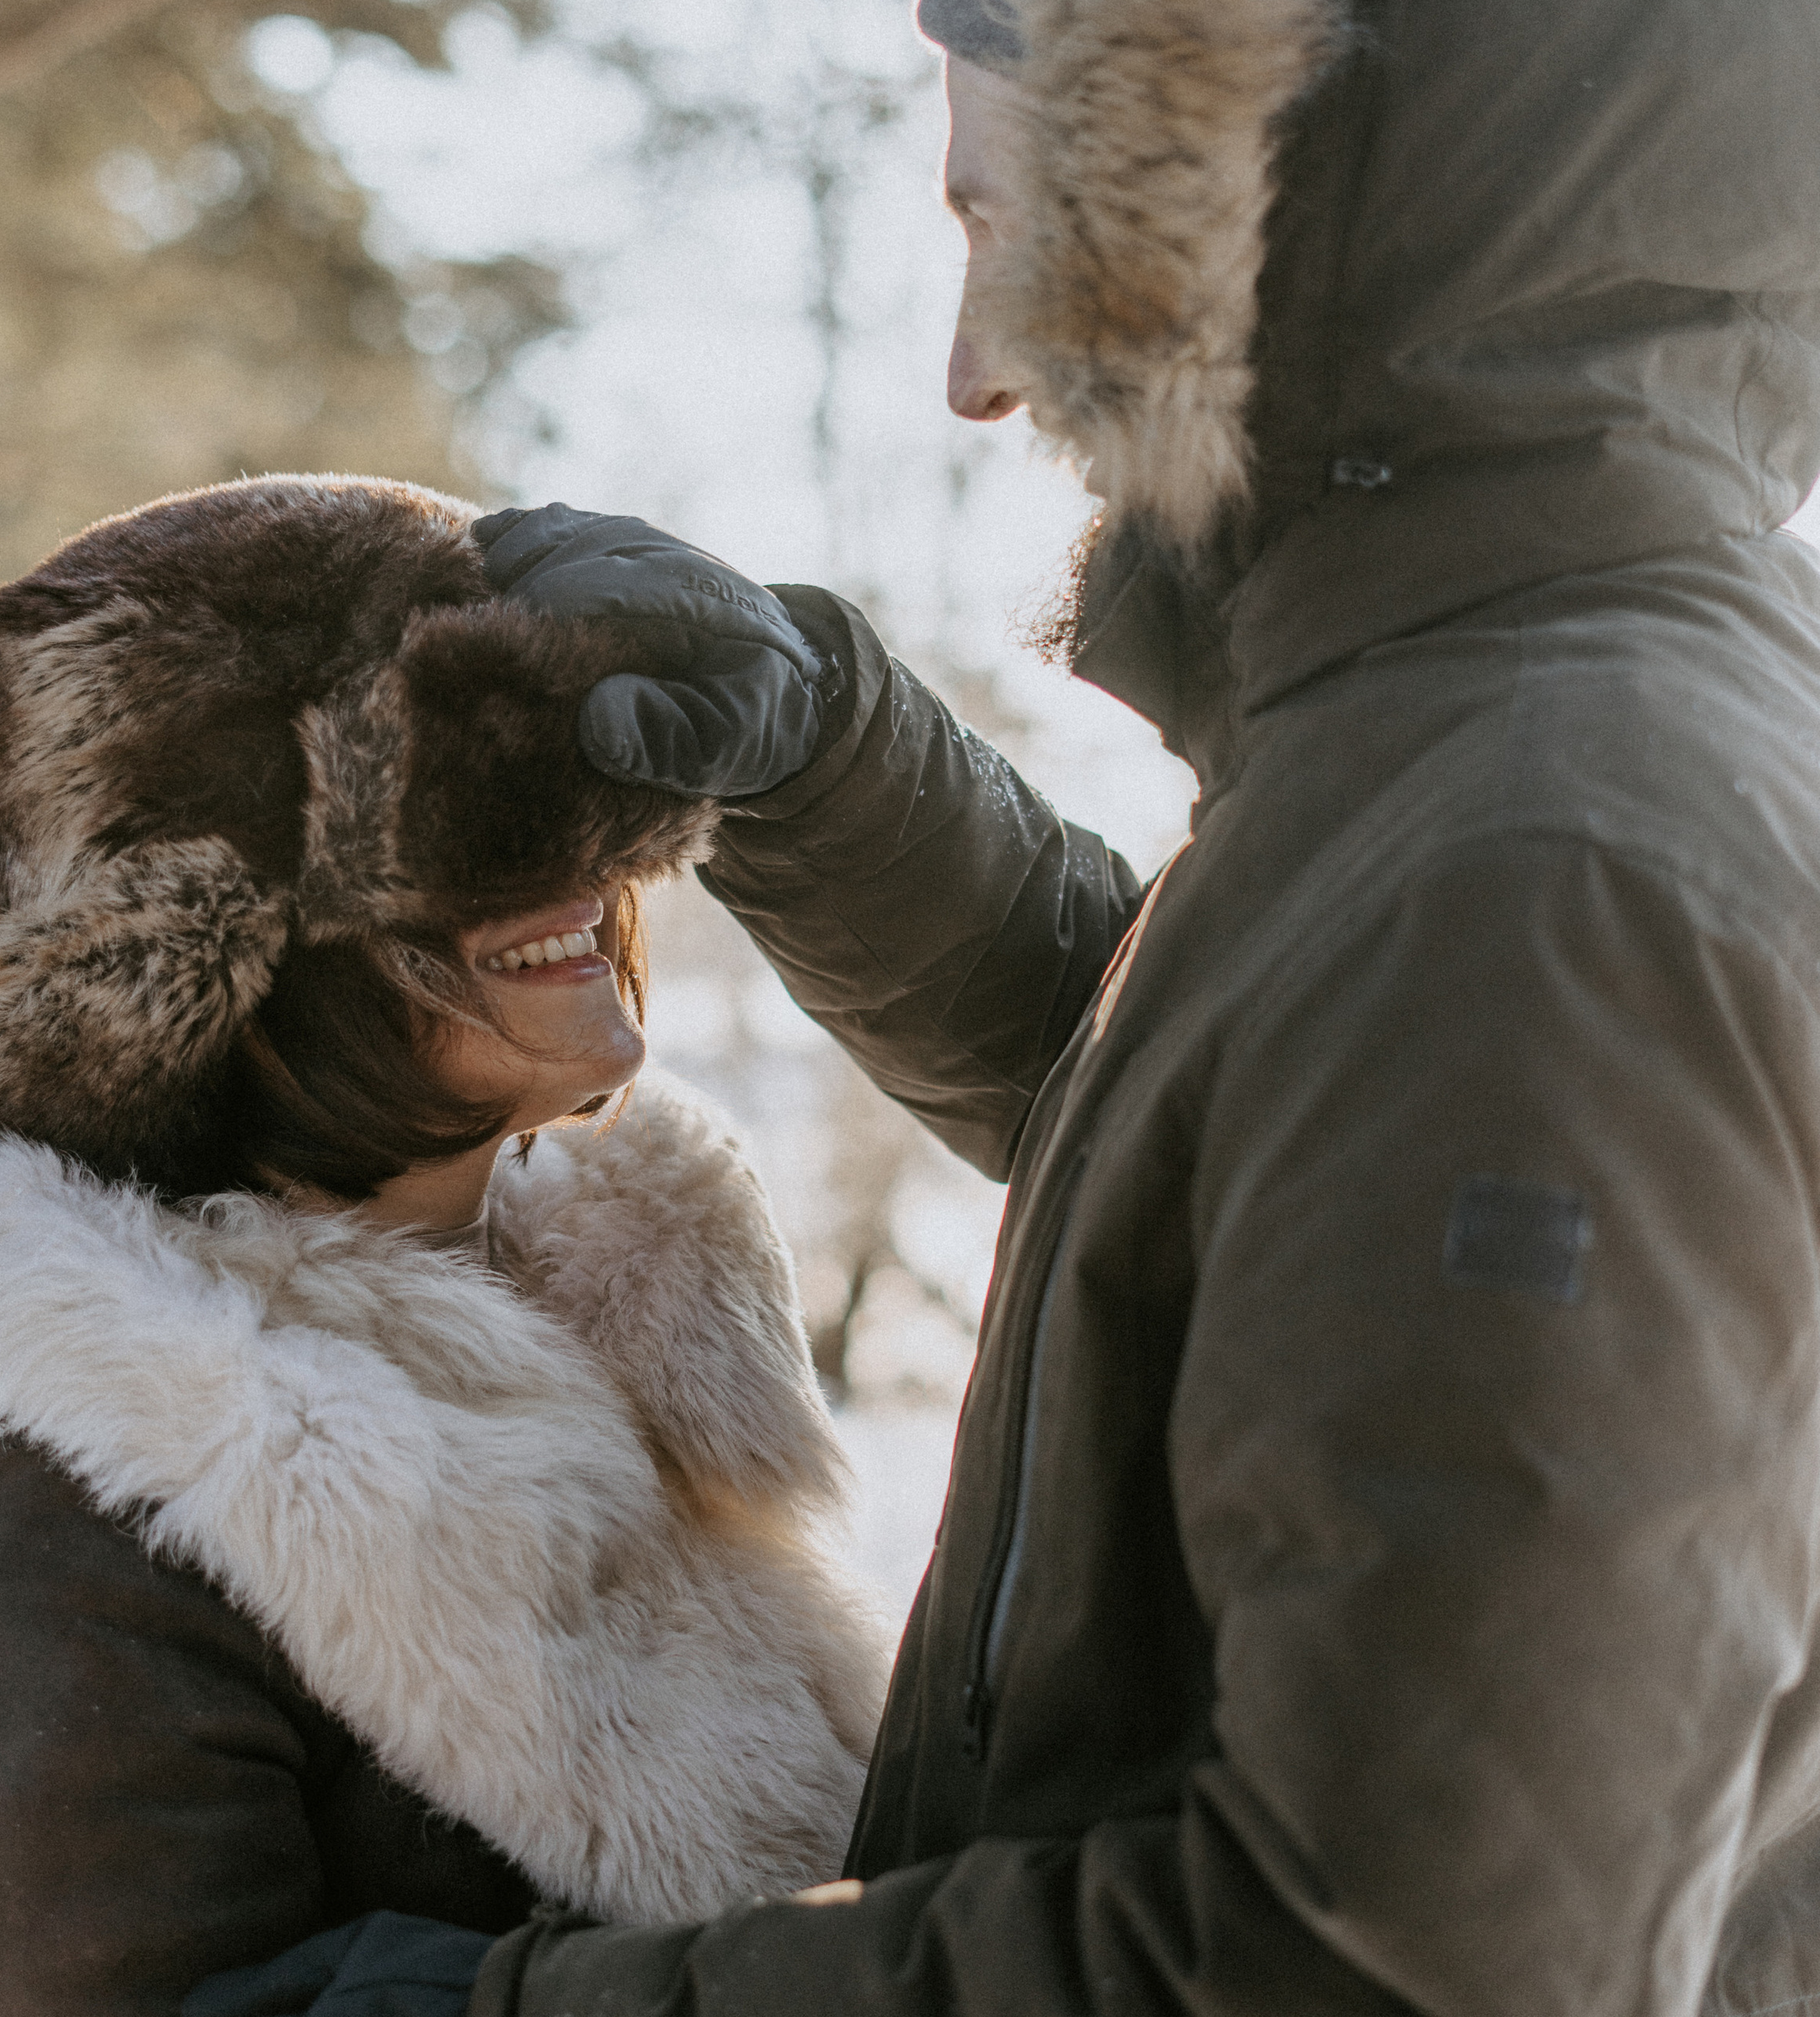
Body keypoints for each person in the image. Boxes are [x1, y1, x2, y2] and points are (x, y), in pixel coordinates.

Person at [207, 0, 1820, 2009]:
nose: (975, 373)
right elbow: (1258, 1150)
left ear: (1274, 204)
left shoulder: (1539, 871)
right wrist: (827, 764)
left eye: (1013, 232)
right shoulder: (1527, 733)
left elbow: (1377, 1971)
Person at [0, 473, 892, 2015]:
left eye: (577, 804)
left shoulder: (632, 1351)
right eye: (467, 837)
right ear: (217, 967)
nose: (575, 876)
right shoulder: (52, 1555)